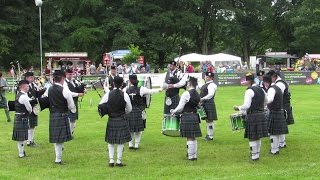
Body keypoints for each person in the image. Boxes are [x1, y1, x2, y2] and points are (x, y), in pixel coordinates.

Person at [233, 73, 268, 161]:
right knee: (258, 136)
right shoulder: (261, 89)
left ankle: (254, 156)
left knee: (252, 136)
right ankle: (257, 154)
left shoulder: (249, 91)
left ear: (248, 81)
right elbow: (266, 101)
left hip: (253, 115)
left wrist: (238, 108)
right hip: (261, 114)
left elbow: (247, 105)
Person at [99, 76, 132, 167]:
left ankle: (111, 161)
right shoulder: (124, 95)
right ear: (122, 84)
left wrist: (107, 109)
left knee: (111, 141)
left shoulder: (108, 94)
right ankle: (118, 161)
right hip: (121, 118)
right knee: (121, 142)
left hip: (111, 119)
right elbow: (129, 109)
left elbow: (100, 105)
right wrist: (123, 112)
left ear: (113, 83)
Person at [124, 75, 162, 150]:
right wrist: (160, 89)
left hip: (129, 111)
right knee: (139, 129)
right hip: (139, 111)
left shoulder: (126, 89)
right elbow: (151, 91)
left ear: (129, 81)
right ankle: (136, 145)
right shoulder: (141, 89)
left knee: (130, 128)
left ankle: (130, 144)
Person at [48, 70, 76, 164]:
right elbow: (71, 106)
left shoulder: (50, 89)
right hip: (62, 115)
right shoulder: (64, 90)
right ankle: (58, 159)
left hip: (53, 115)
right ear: (63, 78)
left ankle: (58, 157)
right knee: (60, 140)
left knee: (57, 139)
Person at [170, 77, 202, 161]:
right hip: (194, 115)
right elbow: (199, 106)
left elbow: (180, 107)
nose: (186, 84)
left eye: (187, 82)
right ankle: (194, 155)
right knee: (193, 137)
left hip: (187, 116)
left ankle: (190, 156)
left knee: (189, 137)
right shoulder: (197, 94)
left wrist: (174, 111)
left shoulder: (186, 93)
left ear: (190, 84)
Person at [267, 70, 294, 148]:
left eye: (270, 77)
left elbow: (277, 96)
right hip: (283, 105)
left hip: (283, 106)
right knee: (281, 125)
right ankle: (282, 143)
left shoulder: (280, 84)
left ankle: (282, 143)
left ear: (274, 76)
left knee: (281, 125)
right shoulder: (279, 83)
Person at [263, 75, 288, 155]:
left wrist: (263, 103)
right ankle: (277, 148)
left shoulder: (271, 89)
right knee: (277, 133)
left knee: (272, 133)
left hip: (274, 112)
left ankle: (274, 150)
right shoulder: (277, 87)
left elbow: (270, 99)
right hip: (279, 112)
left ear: (266, 82)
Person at [24, 72, 46, 146]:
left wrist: (43, 90)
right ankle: (28, 141)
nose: (33, 79)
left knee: (33, 125)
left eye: (33, 77)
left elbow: (36, 94)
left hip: (34, 107)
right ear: (27, 78)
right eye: (31, 77)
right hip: (28, 107)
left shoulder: (33, 85)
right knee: (29, 125)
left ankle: (31, 140)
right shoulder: (24, 86)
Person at [12, 80, 32, 158]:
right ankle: (21, 153)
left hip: (19, 116)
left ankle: (21, 152)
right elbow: (29, 108)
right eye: (27, 86)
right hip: (22, 117)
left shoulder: (19, 94)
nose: (28, 87)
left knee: (21, 137)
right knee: (21, 137)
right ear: (23, 87)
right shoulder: (23, 96)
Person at [64, 69, 85, 136]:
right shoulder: (64, 83)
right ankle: (68, 133)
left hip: (74, 101)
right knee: (69, 118)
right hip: (68, 102)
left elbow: (77, 89)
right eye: (69, 74)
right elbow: (69, 93)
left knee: (73, 119)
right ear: (65, 74)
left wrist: (82, 89)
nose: (70, 76)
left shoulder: (73, 81)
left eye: (71, 74)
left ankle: (71, 132)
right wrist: (78, 94)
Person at [199, 72, 218, 141]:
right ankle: (209, 134)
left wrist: (203, 98)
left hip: (208, 103)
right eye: (206, 76)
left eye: (208, 77)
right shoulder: (206, 84)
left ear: (211, 77)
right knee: (207, 120)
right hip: (206, 103)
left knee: (210, 120)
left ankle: (210, 136)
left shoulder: (211, 85)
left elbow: (211, 94)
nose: (207, 77)